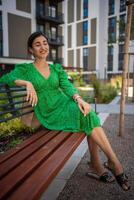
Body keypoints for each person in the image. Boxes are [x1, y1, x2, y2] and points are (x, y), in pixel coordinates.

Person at [0, 31, 130, 191]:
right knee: (89, 116)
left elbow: (67, 87)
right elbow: (5, 78)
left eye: (45, 43)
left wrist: (79, 99)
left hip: (64, 104)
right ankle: (104, 163)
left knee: (87, 112)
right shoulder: (26, 70)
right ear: (30, 50)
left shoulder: (56, 68)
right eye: (37, 44)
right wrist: (26, 83)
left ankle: (110, 162)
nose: (43, 47)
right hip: (49, 114)